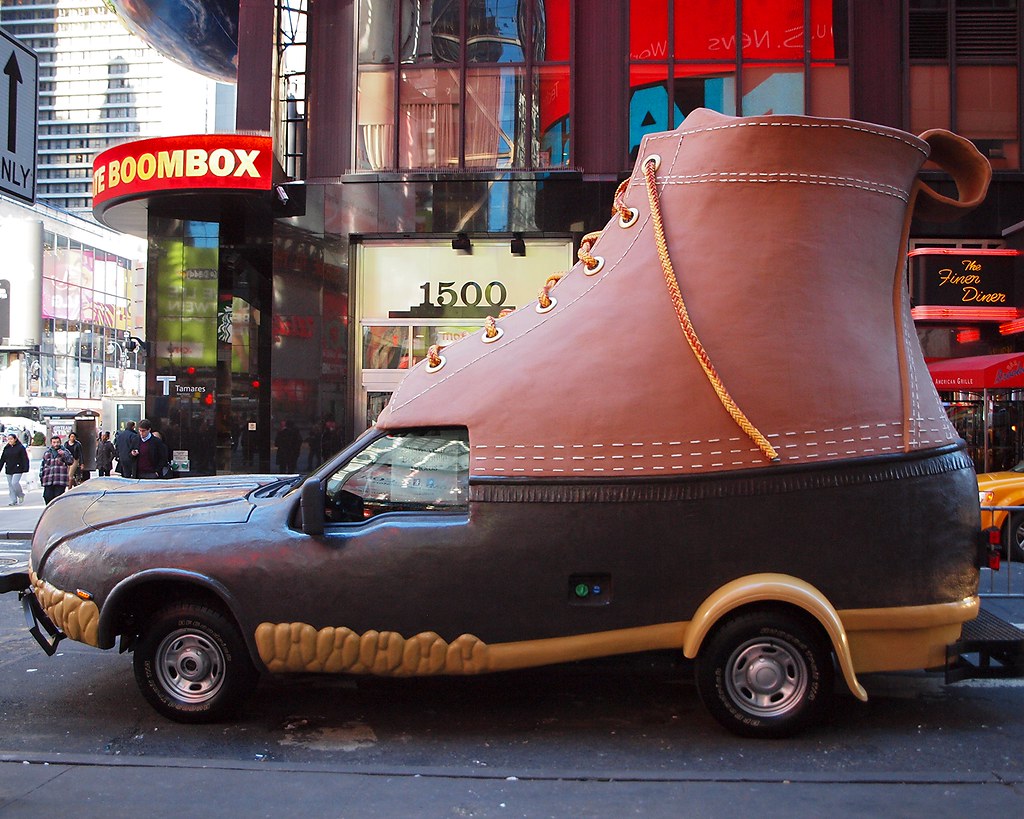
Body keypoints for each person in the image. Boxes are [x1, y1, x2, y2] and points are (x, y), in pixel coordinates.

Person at [40, 435, 74, 504]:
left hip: (60, 479)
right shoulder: (47, 452)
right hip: (48, 479)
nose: (56, 444)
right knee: (47, 496)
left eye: (57, 442)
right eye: (54, 442)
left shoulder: (65, 451)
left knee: (58, 498)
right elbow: (43, 465)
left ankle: (56, 512)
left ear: (60, 442)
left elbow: (70, 461)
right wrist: (41, 476)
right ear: (51, 443)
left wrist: (64, 454)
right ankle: (49, 510)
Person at [0, 433, 29, 506]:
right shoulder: (6, 448)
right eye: (8, 439)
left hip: (18, 468)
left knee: (14, 483)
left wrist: (26, 468)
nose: (10, 440)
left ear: (15, 439)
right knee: (10, 485)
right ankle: (13, 500)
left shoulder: (20, 447)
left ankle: (20, 494)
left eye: (11, 439)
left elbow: (25, 458)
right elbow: (2, 459)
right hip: (9, 468)